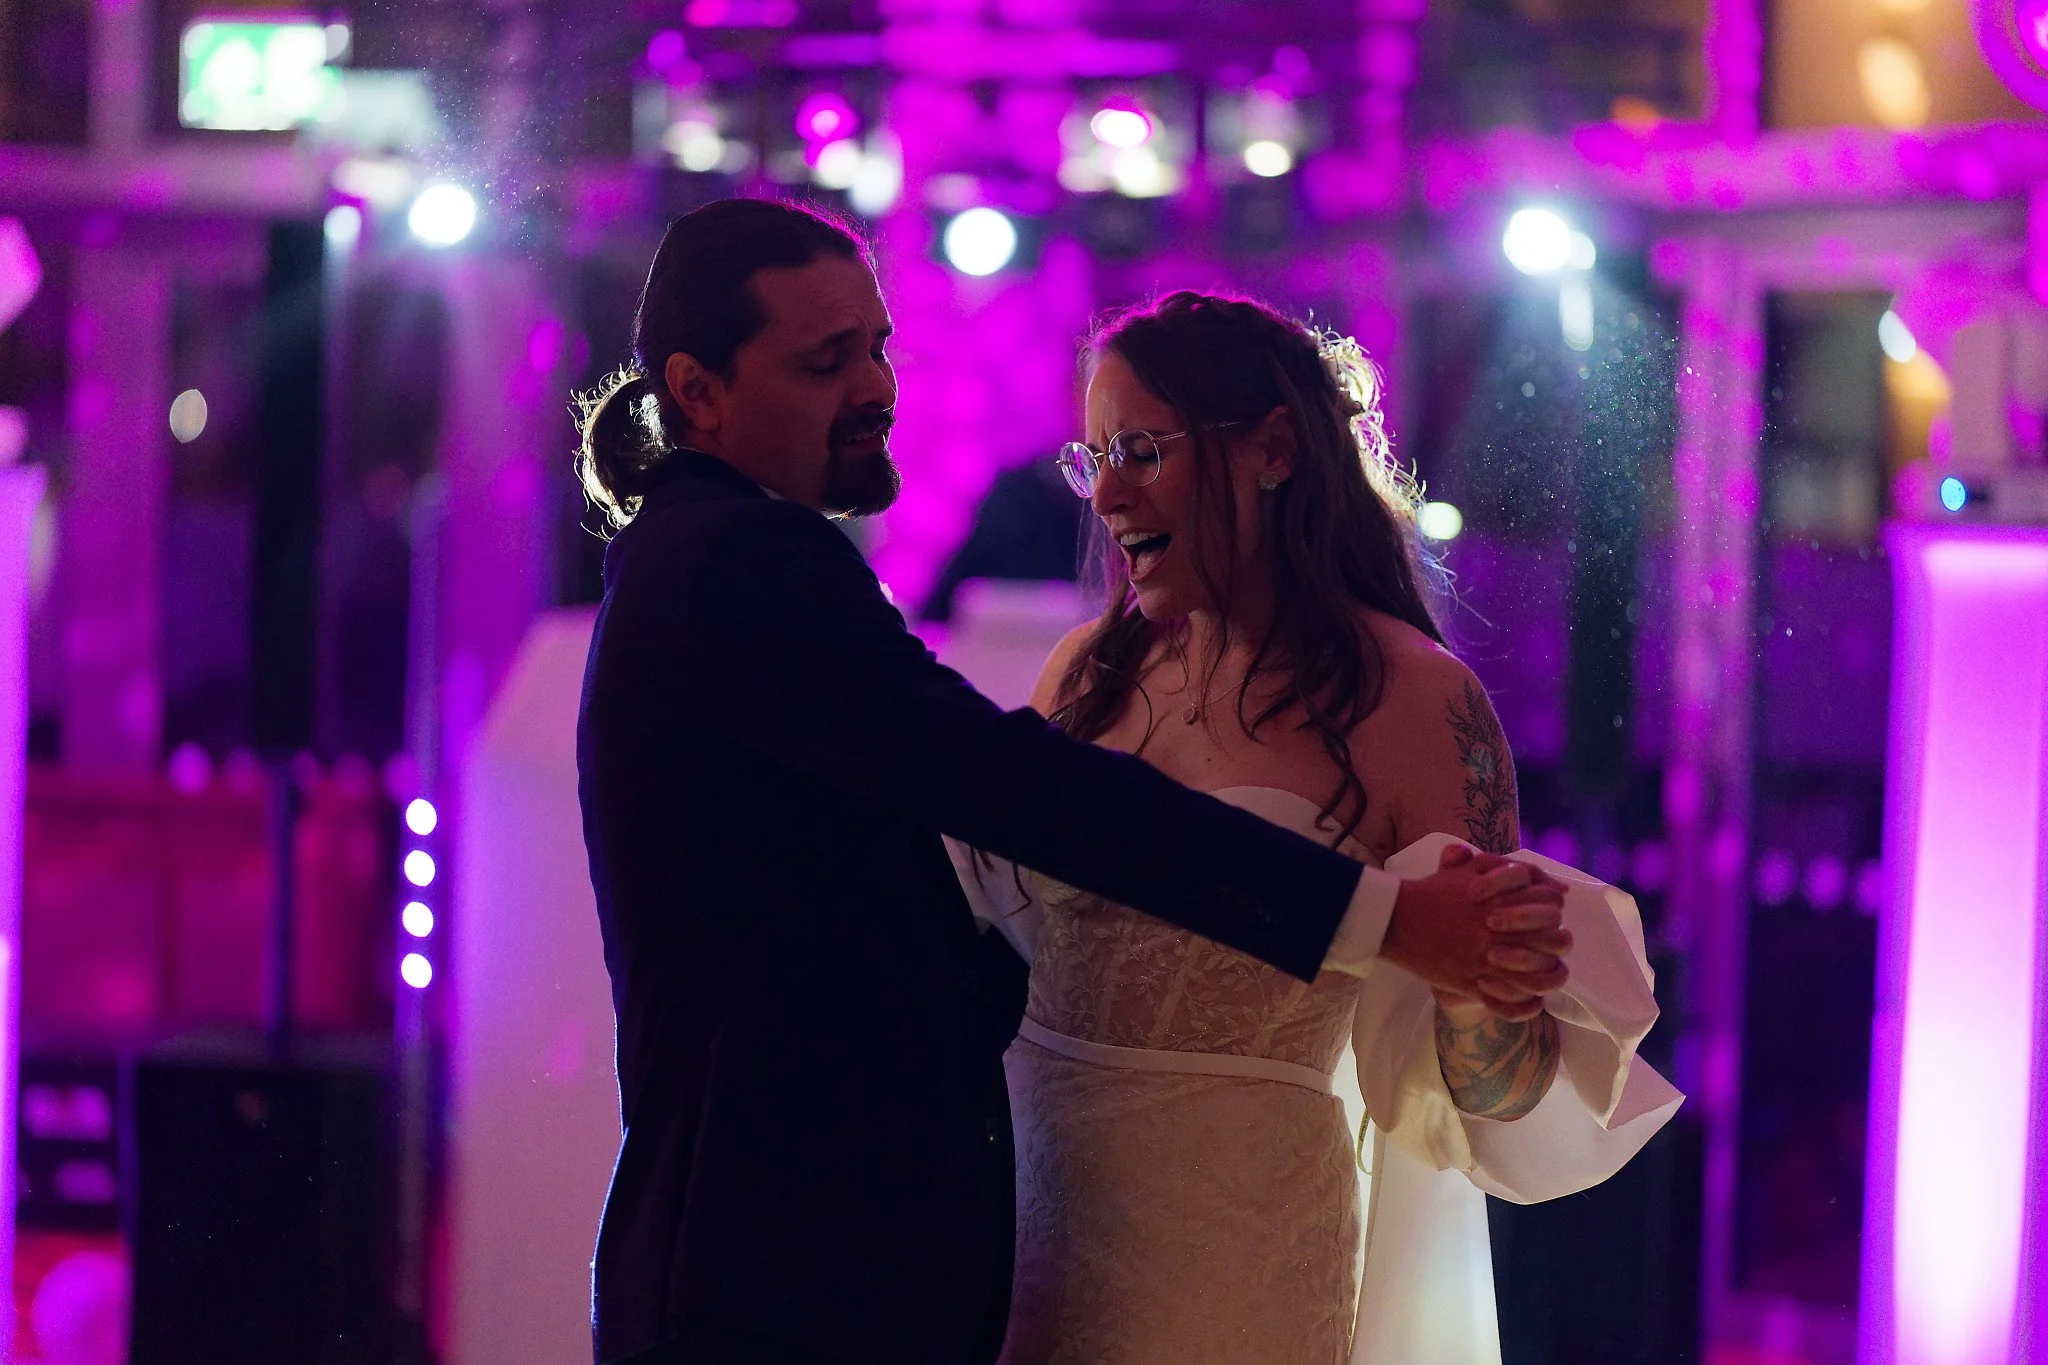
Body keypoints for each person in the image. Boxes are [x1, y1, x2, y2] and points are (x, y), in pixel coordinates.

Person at [572, 198, 1574, 1365]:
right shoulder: (763, 573)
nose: (876, 388)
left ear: (1270, 451)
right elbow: (1020, 794)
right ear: (697, 393)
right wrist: (1376, 918)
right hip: (800, 1284)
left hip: (1203, 1270)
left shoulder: (1416, 699)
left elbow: (1496, 1066)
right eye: (823, 361)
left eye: (876, 346)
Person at [950, 292, 1682, 1364]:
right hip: (1033, 1245)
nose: (1105, 493)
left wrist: (1495, 988)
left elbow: (1493, 1093)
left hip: (1235, 1275)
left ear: (1272, 451)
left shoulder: (1416, 704)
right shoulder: (1082, 678)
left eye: (1141, 451)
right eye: (1092, 456)